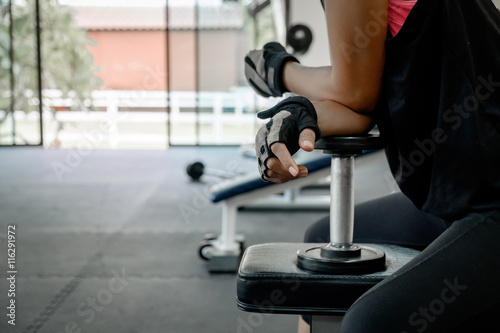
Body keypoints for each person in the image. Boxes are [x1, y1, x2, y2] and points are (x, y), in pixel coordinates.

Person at [244, 0, 500, 332]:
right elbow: (362, 102)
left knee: (369, 325)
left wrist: (278, 71)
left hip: (489, 200)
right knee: (320, 240)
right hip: (455, 197)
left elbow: (354, 92)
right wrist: (298, 113)